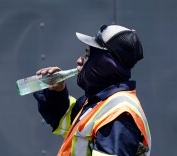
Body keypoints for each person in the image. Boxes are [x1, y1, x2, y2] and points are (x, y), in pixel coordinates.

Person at [33, 24, 151, 156]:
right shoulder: (100, 102)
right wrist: (56, 93)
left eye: (88, 55)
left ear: (105, 63)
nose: (79, 60)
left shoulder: (118, 115)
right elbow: (71, 125)